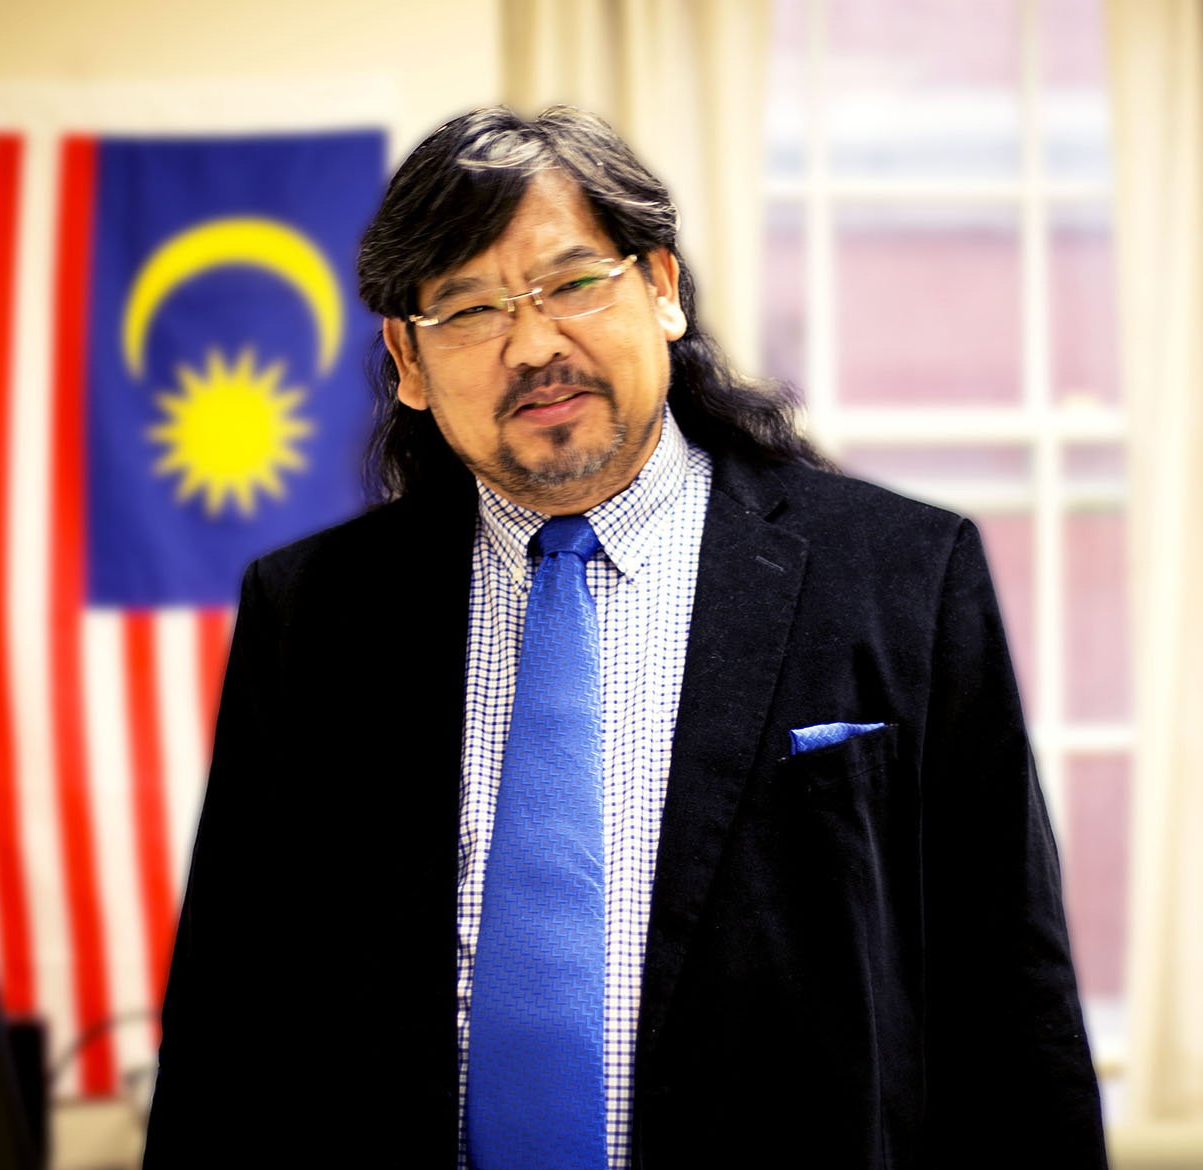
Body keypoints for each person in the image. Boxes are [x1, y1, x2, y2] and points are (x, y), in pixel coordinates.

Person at [142, 106, 1108, 1169]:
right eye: (468, 308)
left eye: (572, 282)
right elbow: (229, 1024)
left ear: (661, 288)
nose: (535, 344)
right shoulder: (314, 613)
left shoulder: (902, 576)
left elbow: (1011, 1006)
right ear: (407, 364)